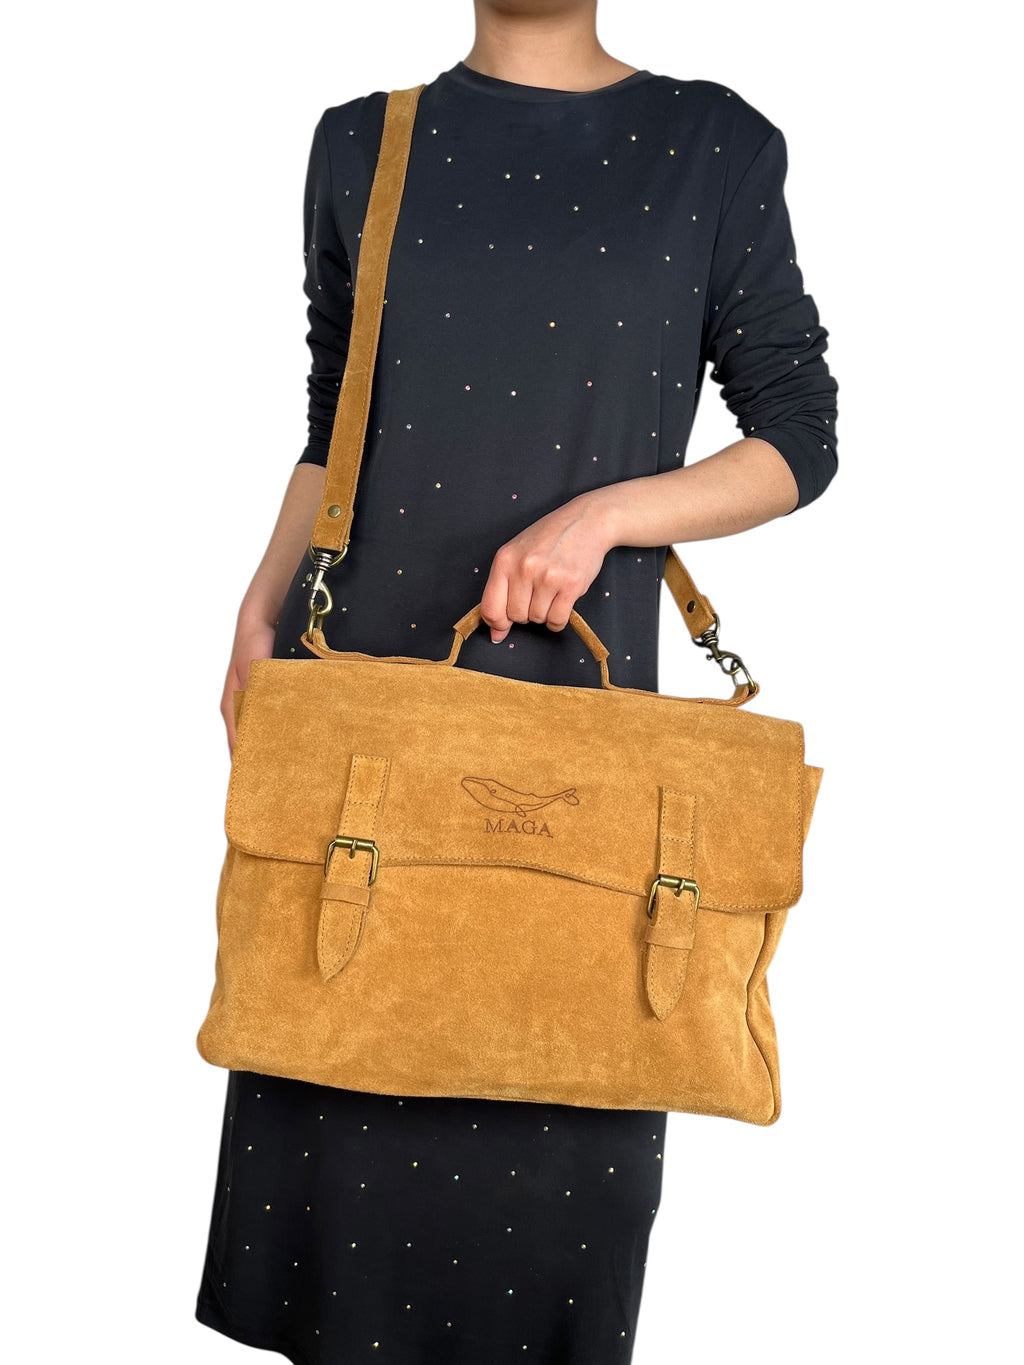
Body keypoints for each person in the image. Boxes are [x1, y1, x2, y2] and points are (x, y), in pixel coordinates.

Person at [195, 1, 839, 1360]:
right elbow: (333, 423)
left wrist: (605, 519)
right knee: (338, 1227)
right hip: (363, 763)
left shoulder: (713, 143)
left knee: (553, 1228)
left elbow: (799, 437)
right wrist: (257, 605)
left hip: (582, 765)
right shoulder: (362, 143)